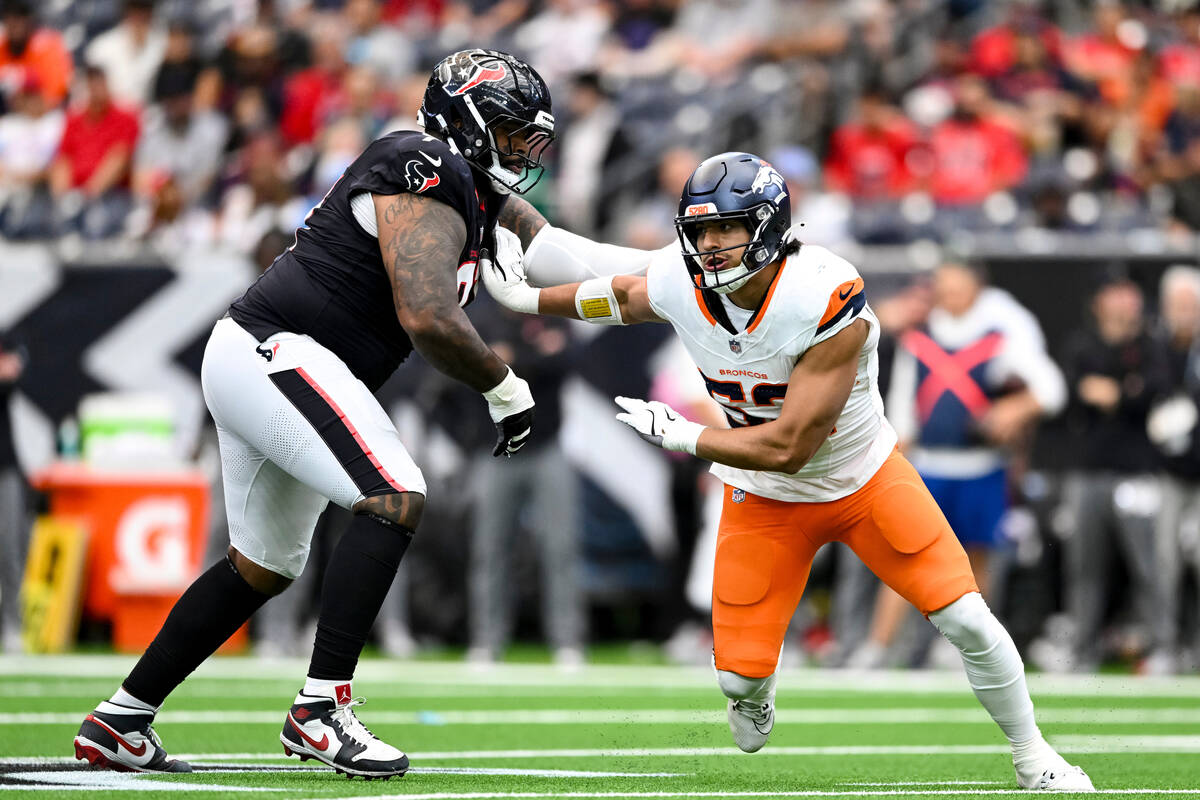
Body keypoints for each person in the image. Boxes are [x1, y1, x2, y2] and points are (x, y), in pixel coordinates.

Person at [482, 151, 1094, 791]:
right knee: (736, 679)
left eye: (728, 228)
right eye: (702, 231)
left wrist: (685, 434)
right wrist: (527, 300)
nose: (712, 246)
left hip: (861, 481)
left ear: (770, 227)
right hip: (765, 498)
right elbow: (622, 296)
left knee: (967, 617)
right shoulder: (680, 279)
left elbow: (790, 446)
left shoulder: (822, 295)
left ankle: (1035, 755)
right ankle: (755, 688)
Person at [73, 48, 555, 780]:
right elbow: (426, 316)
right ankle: (320, 709)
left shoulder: (475, 191)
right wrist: (502, 386)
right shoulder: (425, 163)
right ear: (471, 122)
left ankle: (122, 719)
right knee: (394, 495)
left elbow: (563, 251)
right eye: (514, 130)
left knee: (261, 566)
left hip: (265, 358)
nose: (524, 148)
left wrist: (666, 275)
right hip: (278, 350)